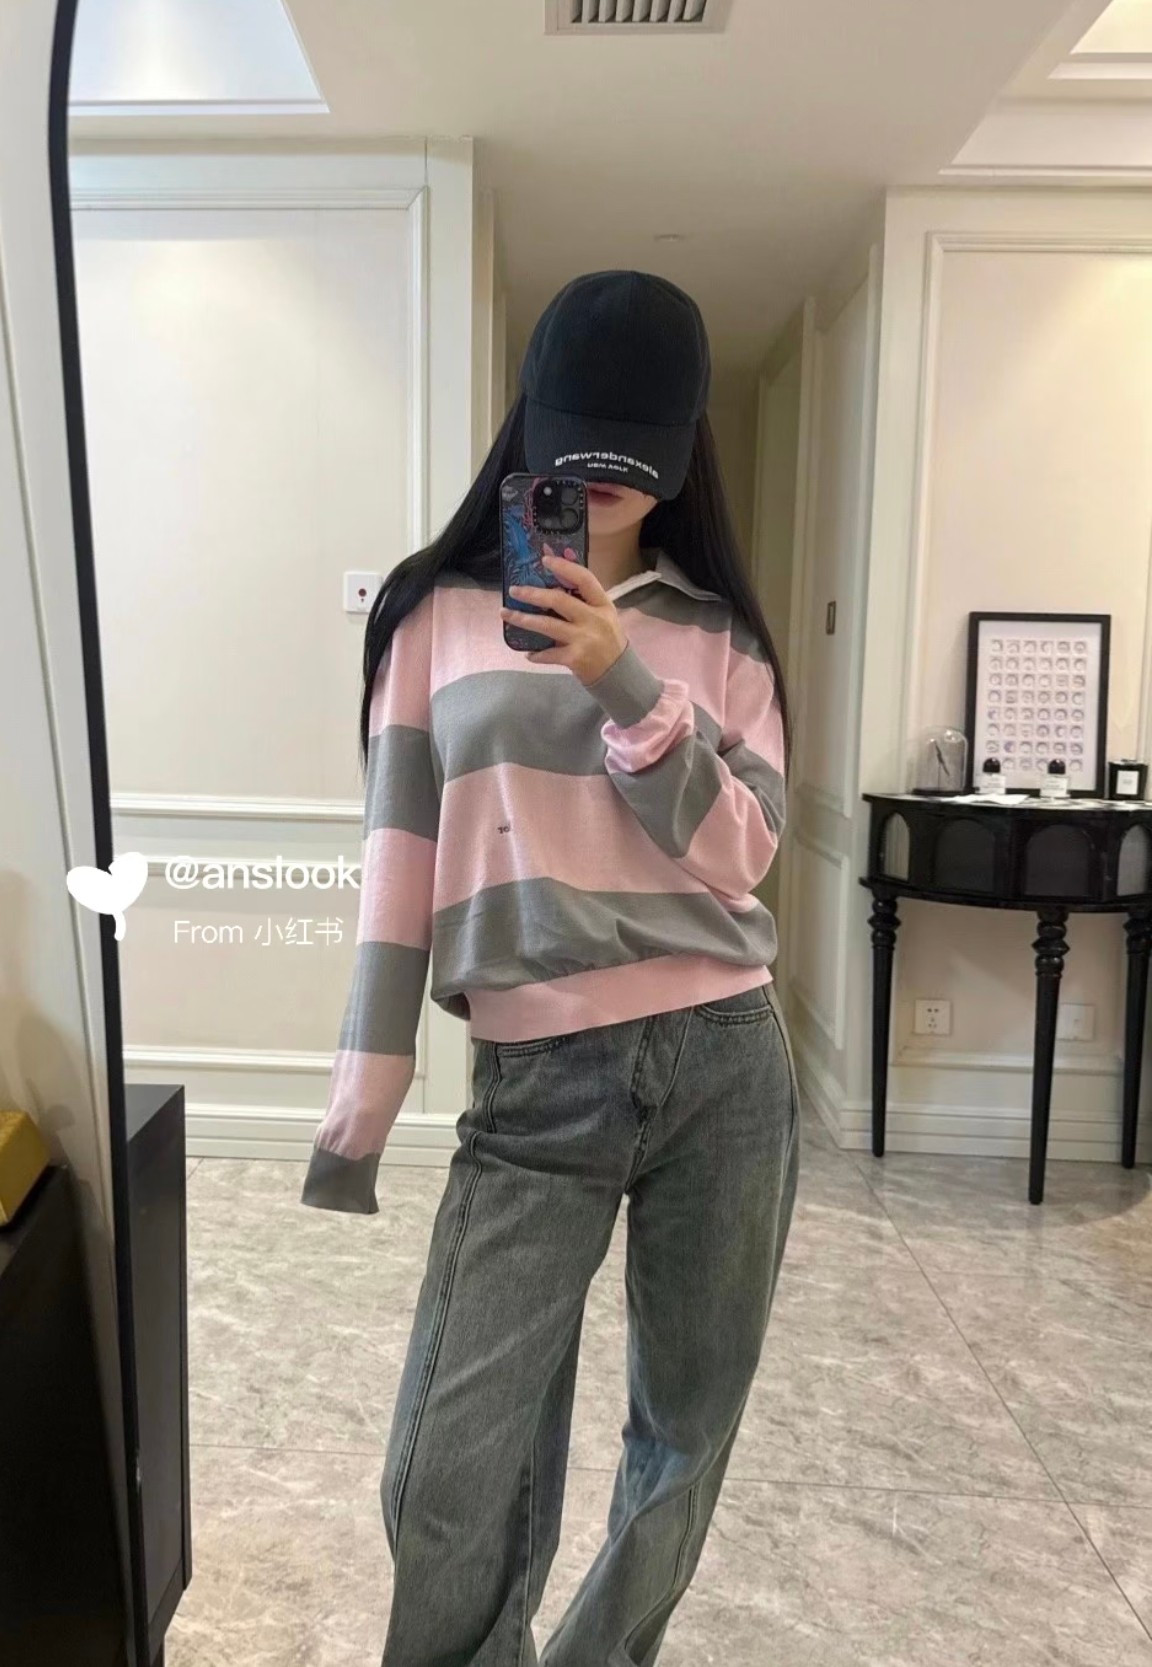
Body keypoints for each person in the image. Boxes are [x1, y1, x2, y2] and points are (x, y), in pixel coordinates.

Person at [301, 269, 801, 1667]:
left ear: (684, 447)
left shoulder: (720, 634)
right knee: (447, 1468)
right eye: (582, 445)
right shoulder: (434, 616)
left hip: (725, 1061)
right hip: (537, 1077)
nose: (606, 481)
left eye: (638, 455)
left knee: (685, 1431)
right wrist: (366, 1091)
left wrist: (624, 679)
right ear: (532, 427)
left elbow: (743, 857)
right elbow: (400, 856)